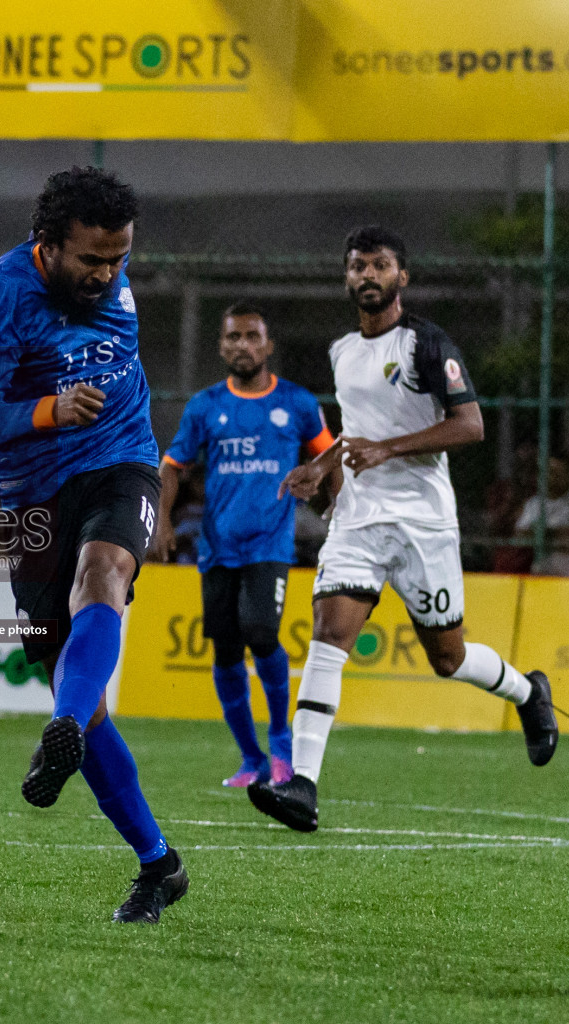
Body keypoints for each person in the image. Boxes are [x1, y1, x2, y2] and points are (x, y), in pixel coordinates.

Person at [248, 225, 559, 833]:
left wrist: (389, 450)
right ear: (347, 277)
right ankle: (303, 787)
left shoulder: (426, 343)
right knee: (329, 634)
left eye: (380, 265)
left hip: (423, 524)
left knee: (448, 657)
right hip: (360, 520)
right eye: (358, 266)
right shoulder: (341, 351)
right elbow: (355, 429)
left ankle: (529, 693)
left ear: (402, 277)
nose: (368, 274)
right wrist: (321, 465)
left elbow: (469, 426)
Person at [0, 166, 185, 924]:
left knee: (104, 574)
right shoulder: (5, 290)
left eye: (119, 259)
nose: (107, 274)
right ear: (46, 244)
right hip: (34, 497)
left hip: (123, 464)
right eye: (91, 259)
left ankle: (59, 727)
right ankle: (159, 866)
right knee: (84, 709)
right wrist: (52, 409)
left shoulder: (113, 282)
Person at [151, 302, 334, 789]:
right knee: (226, 650)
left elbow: (330, 457)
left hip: (270, 545)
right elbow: (171, 466)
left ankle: (280, 743)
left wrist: (338, 511)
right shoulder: (205, 406)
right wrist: (161, 523)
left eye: (253, 336)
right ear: (221, 345)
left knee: (261, 632)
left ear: (268, 345)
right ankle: (250, 758)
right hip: (217, 547)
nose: (243, 345)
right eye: (233, 337)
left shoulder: (296, 402)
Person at [515, 453, 569, 577]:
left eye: (560, 472)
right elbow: (520, 533)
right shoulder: (535, 502)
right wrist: (554, 532)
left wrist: (541, 532)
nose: (554, 476)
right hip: (545, 560)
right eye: (551, 471)